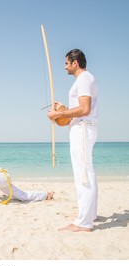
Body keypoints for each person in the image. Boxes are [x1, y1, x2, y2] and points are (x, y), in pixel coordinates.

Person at [48, 49, 98, 232]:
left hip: (83, 128)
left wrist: (59, 113)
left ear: (75, 63)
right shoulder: (84, 80)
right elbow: (79, 108)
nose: (65, 66)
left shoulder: (84, 79)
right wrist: (63, 109)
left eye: (66, 63)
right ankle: (90, 215)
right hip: (82, 128)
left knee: (83, 174)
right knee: (87, 171)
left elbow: (84, 109)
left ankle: (84, 222)